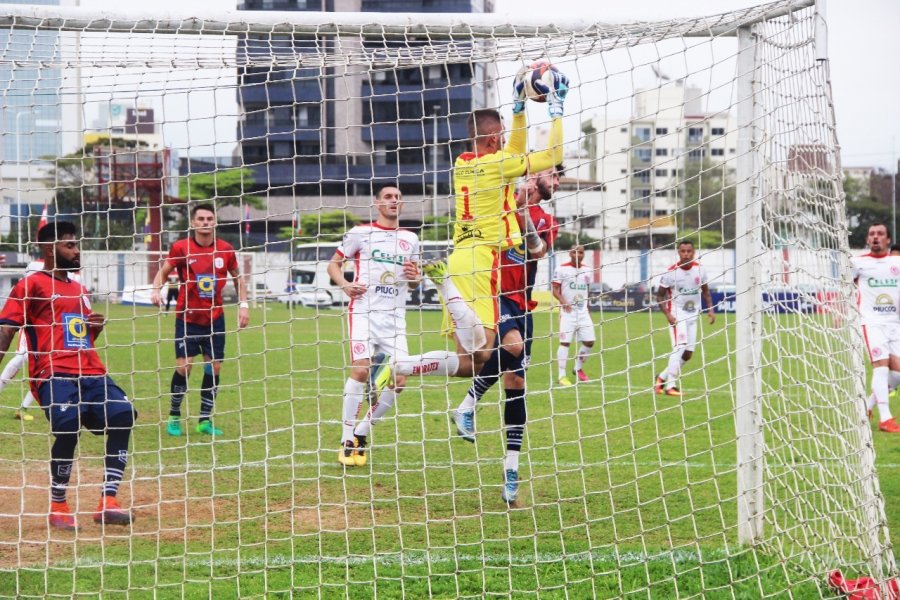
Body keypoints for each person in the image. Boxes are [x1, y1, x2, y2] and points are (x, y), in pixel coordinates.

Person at [370, 65, 570, 399]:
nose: (506, 139)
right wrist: (557, 110)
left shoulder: (463, 162)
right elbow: (555, 155)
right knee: (489, 354)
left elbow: (512, 152)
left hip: (460, 257)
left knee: (472, 363)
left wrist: (518, 108)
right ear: (494, 139)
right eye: (502, 135)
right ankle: (399, 365)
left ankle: (400, 365)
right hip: (479, 263)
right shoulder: (497, 165)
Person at [0, 221, 136, 529]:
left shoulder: (81, 289)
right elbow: (7, 328)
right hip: (53, 373)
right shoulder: (30, 285)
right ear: (50, 249)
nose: (77, 250)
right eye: (70, 245)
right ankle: (58, 504)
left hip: (92, 371)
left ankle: (108, 501)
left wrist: (95, 330)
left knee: (123, 414)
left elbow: (81, 337)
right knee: (67, 425)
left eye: (76, 244)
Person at [450, 165, 560, 503]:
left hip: (522, 304)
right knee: (511, 347)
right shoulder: (494, 205)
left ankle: (511, 468)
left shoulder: (546, 219)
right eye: (553, 175)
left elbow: (538, 250)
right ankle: (466, 404)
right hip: (491, 294)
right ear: (532, 175)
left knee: (517, 383)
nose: (556, 181)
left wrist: (522, 212)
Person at [326, 184, 425, 466]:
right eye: (388, 197)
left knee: (401, 380)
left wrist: (414, 274)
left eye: (398, 197)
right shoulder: (360, 233)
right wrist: (345, 285)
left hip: (395, 319)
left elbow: (415, 279)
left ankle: (361, 433)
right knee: (360, 369)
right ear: (377, 203)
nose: (394, 201)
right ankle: (346, 439)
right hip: (364, 312)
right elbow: (333, 264)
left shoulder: (411, 239)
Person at [151, 203, 250, 437]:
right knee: (184, 368)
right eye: (201, 219)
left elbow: (239, 279)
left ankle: (204, 420)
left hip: (215, 318)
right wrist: (156, 290)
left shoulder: (225, 250)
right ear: (193, 223)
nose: (205, 222)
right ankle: (174, 415)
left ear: (215, 222)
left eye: (209, 219)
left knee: (213, 368)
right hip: (187, 318)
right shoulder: (181, 247)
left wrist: (243, 305)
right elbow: (163, 272)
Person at [850, 223, 900, 432]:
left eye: (880, 234)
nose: (876, 237)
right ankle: (885, 419)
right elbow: (845, 287)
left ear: (888, 240)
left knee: (897, 375)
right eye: (872, 234)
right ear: (868, 240)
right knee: (881, 366)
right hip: (872, 323)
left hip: (894, 324)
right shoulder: (856, 263)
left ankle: (866, 407)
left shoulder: (896, 262)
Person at [654, 240, 715, 397]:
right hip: (677, 314)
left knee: (688, 354)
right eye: (683, 251)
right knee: (679, 348)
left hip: (693, 314)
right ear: (678, 252)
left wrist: (710, 310)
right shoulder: (670, 272)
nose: (686, 254)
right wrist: (668, 315)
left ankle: (661, 377)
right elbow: (659, 296)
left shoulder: (700, 270)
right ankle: (670, 386)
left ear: (693, 253)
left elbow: (706, 291)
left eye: (689, 251)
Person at [552, 245, 596, 386]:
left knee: (590, 341)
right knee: (565, 343)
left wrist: (587, 308)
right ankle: (561, 376)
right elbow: (554, 289)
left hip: (583, 312)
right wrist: (564, 302)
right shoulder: (561, 269)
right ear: (570, 253)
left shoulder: (588, 270)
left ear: (584, 254)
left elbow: (587, 290)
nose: (578, 254)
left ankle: (577, 369)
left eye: (581, 252)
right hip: (567, 313)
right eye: (575, 252)